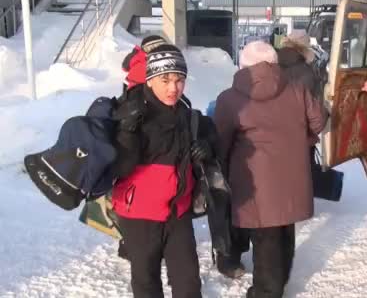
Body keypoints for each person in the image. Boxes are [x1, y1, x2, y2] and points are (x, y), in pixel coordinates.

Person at [214, 41, 328, 298]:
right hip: (292, 175)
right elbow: (319, 122)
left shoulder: (229, 99)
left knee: (266, 238)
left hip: (253, 180)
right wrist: (301, 138)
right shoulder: (298, 89)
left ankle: (267, 292)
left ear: (243, 67)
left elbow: (220, 142)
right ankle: (278, 283)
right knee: (284, 230)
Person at [111, 44, 213, 298]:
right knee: (146, 282)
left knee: (188, 283)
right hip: (140, 216)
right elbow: (121, 167)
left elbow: (215, 142)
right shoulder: (133, 113)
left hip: (178, 214)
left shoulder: (187, 116)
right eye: (165, 79)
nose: (173, 88)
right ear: (150, 79)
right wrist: (126, 132)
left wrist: (206, 147)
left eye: (179, 80)